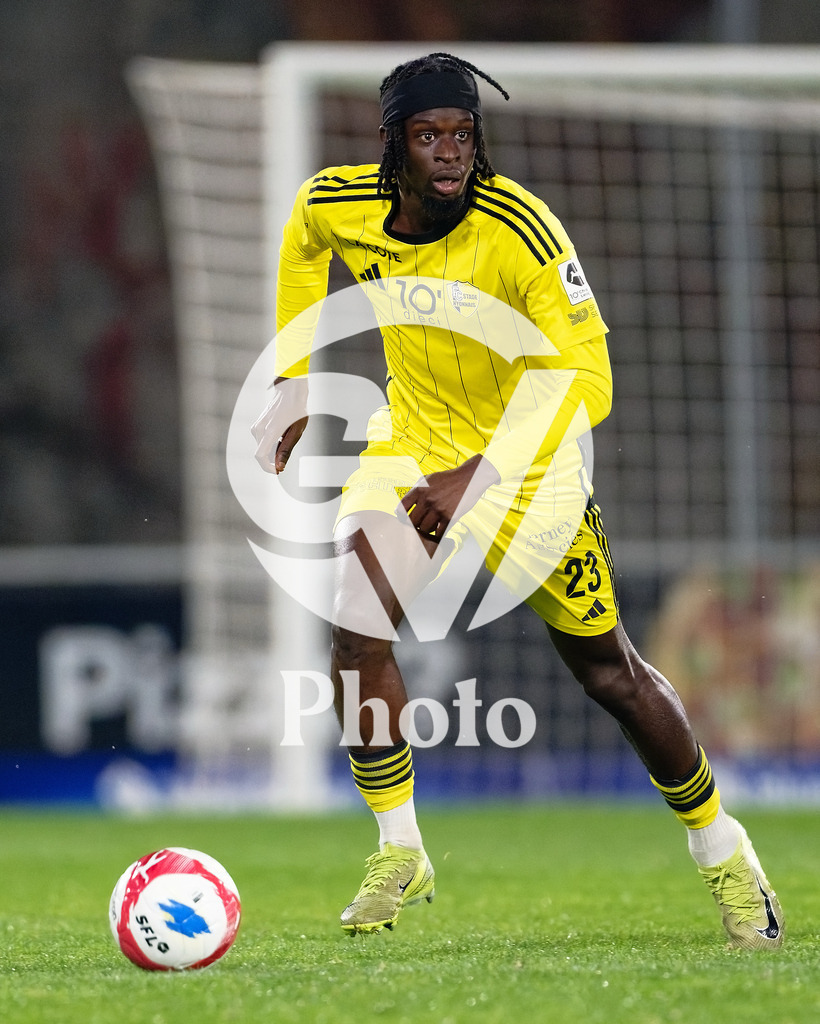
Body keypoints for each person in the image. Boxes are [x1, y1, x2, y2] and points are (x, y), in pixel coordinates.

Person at [252, 52, 784, 949]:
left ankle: (724, 850)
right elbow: (305, 245)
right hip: (414, 443)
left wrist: (481, 476)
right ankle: (399, 846)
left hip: (532, 465)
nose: (451, 154)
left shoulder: (525, 229)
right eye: (429, 136)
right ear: (393, 145)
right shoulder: (338, 201)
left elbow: (590, 379)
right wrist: (294, 377)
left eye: (463, 135)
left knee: (607, 672)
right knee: (354, 615)